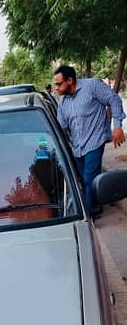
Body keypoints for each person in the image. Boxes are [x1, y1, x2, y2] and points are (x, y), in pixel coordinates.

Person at [53, 65, 125, 217]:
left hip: (94, 142)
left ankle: (86, 217)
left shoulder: (92, 86)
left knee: (88, 179)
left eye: (59, 84)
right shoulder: (63, 103)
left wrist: (117, 127)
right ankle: (96, 205)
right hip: (77, 148)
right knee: (85, 183)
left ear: (70, 80)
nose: (56, 88)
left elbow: (113, 99)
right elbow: (61, 127)